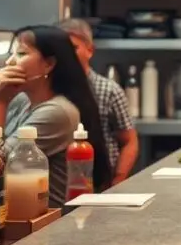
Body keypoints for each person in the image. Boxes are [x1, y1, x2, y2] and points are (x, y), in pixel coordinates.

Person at [0, 25, 113, 205]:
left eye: (21, 54)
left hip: (46, 223)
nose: (9, 62)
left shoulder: (58, 112)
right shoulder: (22, 99)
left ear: (49, 64)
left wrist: (0, 102)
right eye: (11, 54)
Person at [59, 18, 139, 185]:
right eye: (62, 49)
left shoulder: (109, 90)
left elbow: (129, 141)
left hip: (101, 182)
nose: (67, 56)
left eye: (73, 48)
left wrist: (117, 181)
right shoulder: (51, 89)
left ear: (90, 50)